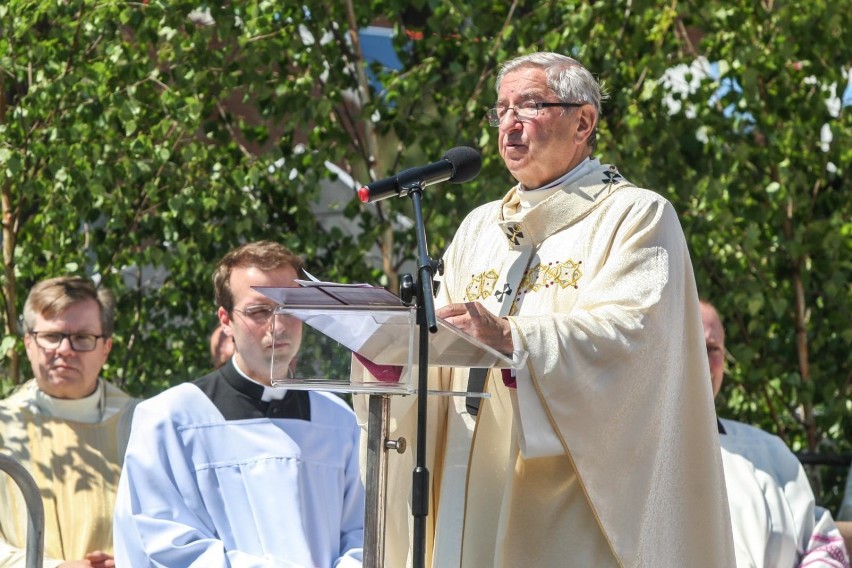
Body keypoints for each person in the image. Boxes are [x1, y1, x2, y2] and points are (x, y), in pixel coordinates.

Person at [353, 52, 733, 566]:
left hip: (565, 490)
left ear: (584, 121)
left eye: (529, 106)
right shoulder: (480, 228)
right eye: (501, 109)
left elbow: (634, 340)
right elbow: (439, 337)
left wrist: (515, 338)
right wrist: (389, 353)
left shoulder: (636, 215)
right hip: (470, 473)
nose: (509, 123)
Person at [113, 240, 364, 567]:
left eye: (291, 308)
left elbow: (362, 533)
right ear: (226, 319)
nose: (278, 325)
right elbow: (162, 543)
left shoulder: (339, 421)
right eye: (259, 311)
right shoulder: (170, 419)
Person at [0, 276, 139, 568]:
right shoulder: (3, 425)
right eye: (51, 336)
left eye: (82, 338)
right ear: (28, 343)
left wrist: (135, 559)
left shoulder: (142, 424)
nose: (65, 350)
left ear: (106, 348)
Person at [702, 300, 849, 567]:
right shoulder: (637, 456)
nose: (703, 360)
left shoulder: (768, 449)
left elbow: (821, 542)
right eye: (691, 345)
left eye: (713, 348)